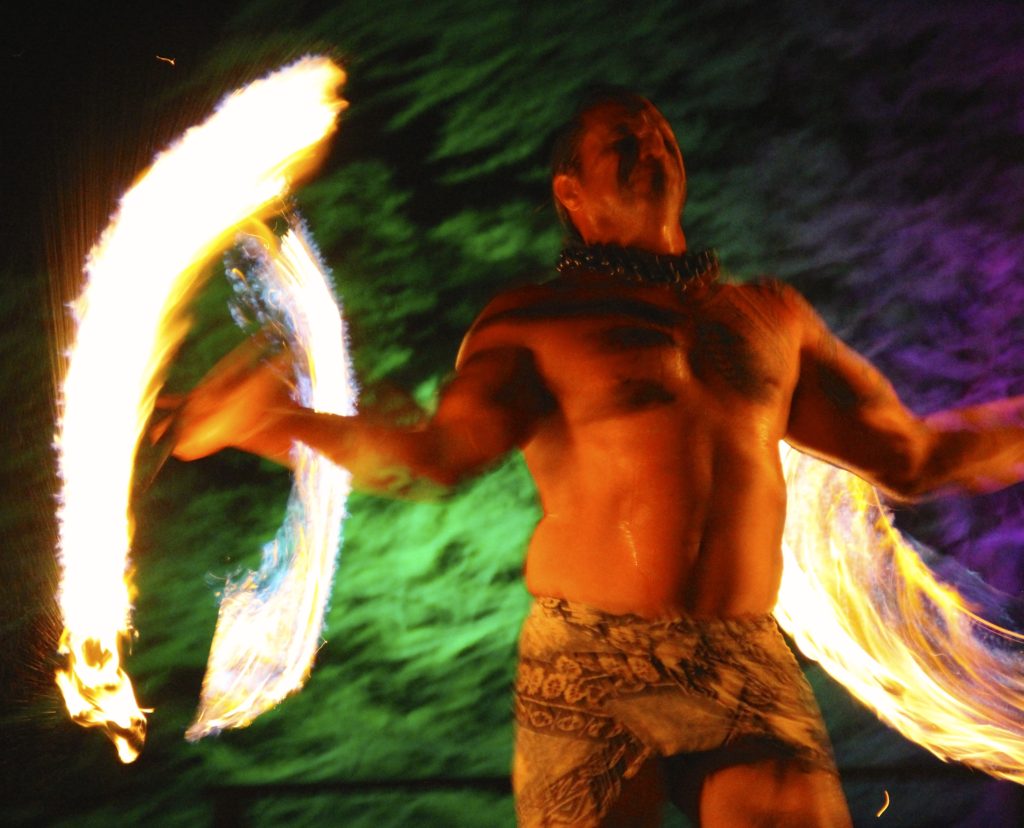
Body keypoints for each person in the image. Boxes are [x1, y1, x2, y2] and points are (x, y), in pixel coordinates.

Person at [170, 89, 1024, 827]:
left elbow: (914, 456)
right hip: (589, 665)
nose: (648, 144)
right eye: (620, 138)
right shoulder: (536, 323)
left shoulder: (769, 318)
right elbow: (437, 460)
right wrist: (277, 426)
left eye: (658, 134)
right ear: (570, 194)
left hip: (742, 655)